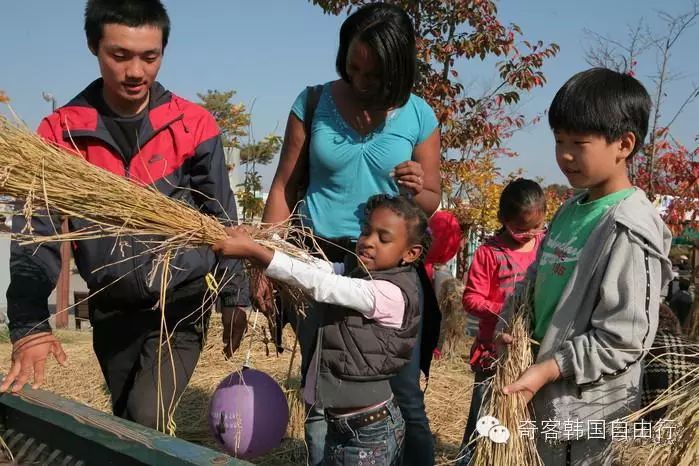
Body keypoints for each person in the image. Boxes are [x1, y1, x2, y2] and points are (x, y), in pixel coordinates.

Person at [2, 0, 249, 431]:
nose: (136, 71)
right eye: (120, 55)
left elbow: (223, 219)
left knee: (145, 417)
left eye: (149, 57)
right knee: (125, 423)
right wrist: (28, 325)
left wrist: (234, 297)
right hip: (111, 310)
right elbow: (34, 235)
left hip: (180, 306)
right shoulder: (60, 132)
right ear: (94, 47)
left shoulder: (193, 125)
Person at [259, 3, 441, 464]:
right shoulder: (313, 102)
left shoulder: (419, 116)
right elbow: (284, 186)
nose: (360, 81)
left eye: (374, 73)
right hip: (319, 260)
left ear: (399, 70)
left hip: (385, 269)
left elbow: (432, 199)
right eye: (352, 66)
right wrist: (263, 258)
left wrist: (419, 188)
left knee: (404, 396)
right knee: (321, 393)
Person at [497, 68, 673, 465]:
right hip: (544, 394)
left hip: (586, 411)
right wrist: (512, 325)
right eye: (559, 141)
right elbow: (535, 280)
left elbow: (625, 338)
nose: (564, 155)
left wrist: (551, 368)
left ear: (623, 144)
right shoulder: (569, 210)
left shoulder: (629, 228)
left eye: (578, 143)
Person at [213, 195, 429, 465]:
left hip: (369, 434)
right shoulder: (359, 271)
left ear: (411, 253)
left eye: (383, 238)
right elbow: (316, 266)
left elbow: (322, 284)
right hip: (341, 426)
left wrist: (258, 254)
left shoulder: (390, 292)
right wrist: (263, 242)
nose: (369, 241)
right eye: (365, 231)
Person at [457, 178, 546, 464]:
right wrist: (509, 311)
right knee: (482, 425)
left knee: (524, 430)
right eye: (521, 229)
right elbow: (471, 299)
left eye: (537, 227)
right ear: (502, 220)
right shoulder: (489, 253)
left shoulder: (546, 248)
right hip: (493, 356)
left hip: (534, 357)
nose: (529, 234)